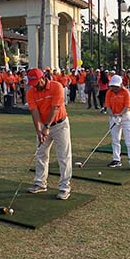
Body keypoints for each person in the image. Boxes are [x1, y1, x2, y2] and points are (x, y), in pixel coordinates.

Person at [25, 68, 73, 200]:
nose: (35, 85)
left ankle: (64, 187)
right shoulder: (31, 92)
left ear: (43, 78)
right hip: (44, 127)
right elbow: (34, 112)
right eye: (32, 83)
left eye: (36, 82)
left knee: (63, 156)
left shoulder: (56, 87)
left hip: (60, 125)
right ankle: (40, 183)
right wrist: (39, 131)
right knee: (41, 154)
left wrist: (46, 126)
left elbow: (55, 107)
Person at [105, 75, 130, 171]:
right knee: (115, 139)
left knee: (129, 140)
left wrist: (120, 116)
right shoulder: (109, 92)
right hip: (114, 117)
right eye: (112, 86)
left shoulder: (126, 92)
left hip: (125, 117)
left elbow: (127, 107)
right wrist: (113, 116)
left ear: (120, 84)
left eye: (116, 86)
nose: (114, 88)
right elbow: (108, 107)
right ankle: (116, 159)